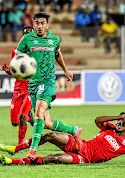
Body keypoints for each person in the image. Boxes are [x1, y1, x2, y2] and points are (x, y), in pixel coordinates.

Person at [14, 12, 82, 160]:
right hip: (32, 83)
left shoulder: (54, 39)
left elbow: (58, 54)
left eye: (42, 23)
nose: (40, 26)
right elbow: (17, 56)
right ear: (33, 25)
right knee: (46, 122)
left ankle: (32, 151)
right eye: (37, 23)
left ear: (47, 25)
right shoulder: (26, 39)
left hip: (48, 82)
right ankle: (74, 130)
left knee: (38, 112)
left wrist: (65, 70)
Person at [0, 111, 125, 165]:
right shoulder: (109, 127)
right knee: (50, 135)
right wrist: (117, 116)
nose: (120, 122)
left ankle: (13, 162)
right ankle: (16, 148)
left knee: (54, 158)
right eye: (120, 120)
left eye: (124, 121)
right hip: (80, 144)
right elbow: (97, 120)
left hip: (84, 158)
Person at [2, 26, 35, 152]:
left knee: (22, 116)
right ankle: (30, 117)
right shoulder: (16, 51)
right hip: (18, 88)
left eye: (30, 34)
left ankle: (19, 146)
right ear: (22, 36)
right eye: (25, 34)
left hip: (31, 87)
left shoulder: (36, 51)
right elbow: (14, 70)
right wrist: (8, 71)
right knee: (14, 122)